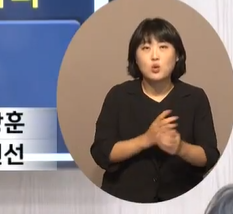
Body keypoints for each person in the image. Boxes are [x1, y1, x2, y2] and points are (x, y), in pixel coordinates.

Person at [89, 17, 220, 203]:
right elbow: (102, 152)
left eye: (163, 47)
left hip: (183, 201)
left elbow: (209, 156)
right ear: (135, 58)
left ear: (177, 55)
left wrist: (180, 147)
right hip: (125, 201)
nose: (154, 56)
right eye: (145, 48)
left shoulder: (195, 97)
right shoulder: (118, 95)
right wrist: (147, 139)